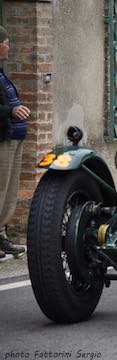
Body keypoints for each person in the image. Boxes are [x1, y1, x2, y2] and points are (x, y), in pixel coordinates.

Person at [0, 25, 30, 261]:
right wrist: (11, 109)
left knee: (9, 193)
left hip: (14, 139)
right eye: (7, 42)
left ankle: (1, 236)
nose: (9, 46)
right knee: (0, 190)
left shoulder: (2, 73)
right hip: (3, 140)